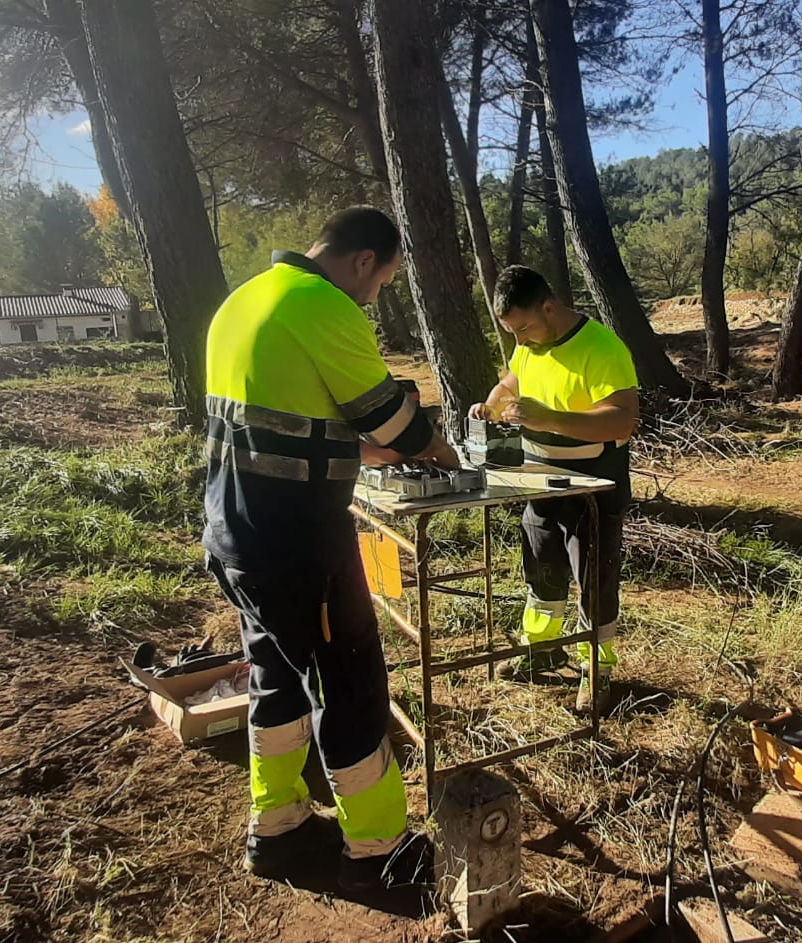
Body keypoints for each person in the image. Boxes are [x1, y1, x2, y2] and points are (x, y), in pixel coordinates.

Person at [203, 206, 461, 889]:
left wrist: (359, 447)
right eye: (384, 280)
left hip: (236, 533)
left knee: (275, 675)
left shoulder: (243, 300)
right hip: (299, 544)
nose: (377, 296)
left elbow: (284, 423)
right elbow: (391, 421)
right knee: (347, 684)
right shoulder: (325, 305)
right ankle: (381, 850)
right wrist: (429, 442)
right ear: (363, 260)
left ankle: (278, 824)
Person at [470, 265, 639, 714]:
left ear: (549, 306)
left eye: (523, 328)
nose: (520, 341)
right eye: (511, 333)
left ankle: (595, 668)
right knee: (541, 571)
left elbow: (624, 418)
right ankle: (541, 649)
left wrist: (550, 419)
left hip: (593, 486)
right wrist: (492, 404)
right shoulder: (528, 348)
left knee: (594, 579)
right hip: (540, 481)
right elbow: (511, 381)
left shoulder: (602, 347)